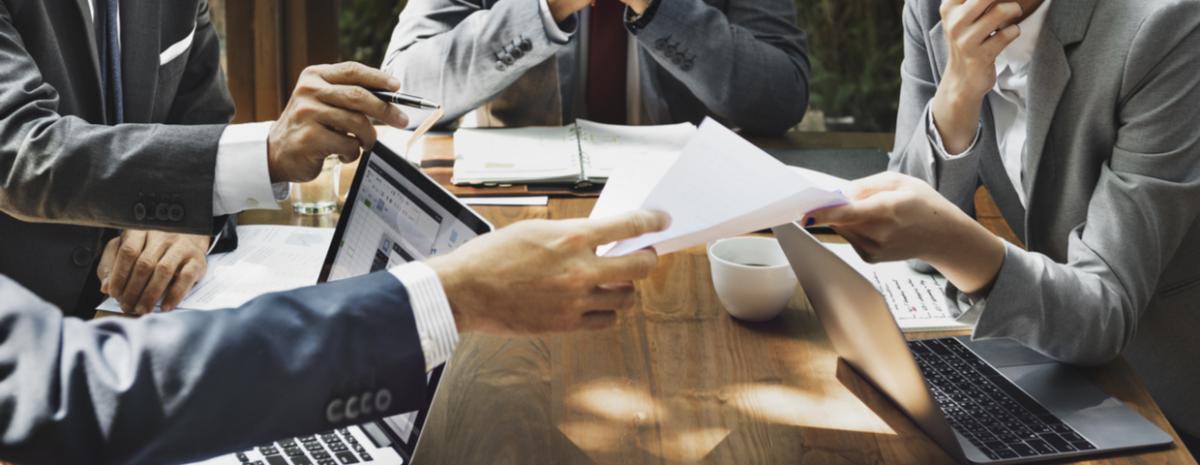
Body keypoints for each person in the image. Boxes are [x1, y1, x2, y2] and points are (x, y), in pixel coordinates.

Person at [0, 1, 670, 462]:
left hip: (147, 327)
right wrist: (447, 297)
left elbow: (193, 126)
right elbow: (24, 153)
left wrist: (190, 224)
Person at [805, 0, 1200, 452]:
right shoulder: (933, 9)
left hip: (1165, 392)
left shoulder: (1166, 24)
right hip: (1051, 362)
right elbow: (911, 247)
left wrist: (955, 244)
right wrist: (956, 94)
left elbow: (1105, 310)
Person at [382, 0, 809, 134]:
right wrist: (545, 8)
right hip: (518, 212)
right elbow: (405, 95)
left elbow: (781, 97)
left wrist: (657, 7)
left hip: (685, 204)